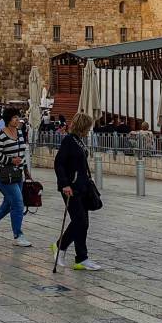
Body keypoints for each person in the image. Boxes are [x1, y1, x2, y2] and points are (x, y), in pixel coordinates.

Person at [53, 112, 102, 270]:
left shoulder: (79, 141)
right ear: (82, 126)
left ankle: (81, 258)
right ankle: (60, 247)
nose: (89, 130)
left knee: (84, 223)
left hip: (82, 187)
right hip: (71, 188)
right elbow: (59, 163)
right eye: (88, 127)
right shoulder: (69, 140)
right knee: (80, 220)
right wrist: (65, 183)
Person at [0, 107, 32, 247]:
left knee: (9, 203)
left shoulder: (19, 133)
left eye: (18, 117)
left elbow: (22, 153)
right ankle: (18, 235)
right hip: (3, 175)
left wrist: (26, 171)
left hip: (17, 174)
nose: (18, 120)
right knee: (18, 203)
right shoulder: (1, 136)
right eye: (14, 117)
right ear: (8, 119)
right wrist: (11, 160)